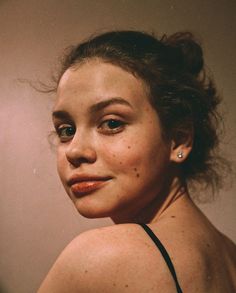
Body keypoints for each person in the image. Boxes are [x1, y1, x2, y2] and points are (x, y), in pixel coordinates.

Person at [38, 30, 236, 292]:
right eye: (66, 130)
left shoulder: (104, 256)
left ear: (178, 140)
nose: (75, 151)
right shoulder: (229, 255)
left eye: (111, 123)